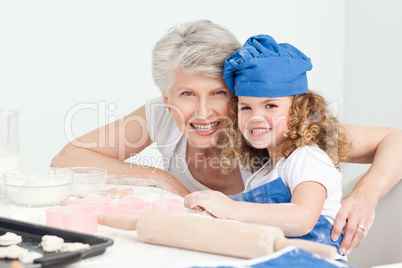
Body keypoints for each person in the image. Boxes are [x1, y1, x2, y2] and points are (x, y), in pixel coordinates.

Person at [51, 20, 402, 257]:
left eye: (217, 93)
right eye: (187, 94)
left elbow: (396, 140)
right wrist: (161, 179)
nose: (203, 113)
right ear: (166, 97)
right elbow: (67, 159)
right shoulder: (160, 117)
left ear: (238, 91)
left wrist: (364, 195)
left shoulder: (275, 132)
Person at [185, 34, 351, 260]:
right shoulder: (261, 174)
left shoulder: (307, 158)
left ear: (299, 111)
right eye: (246, 108)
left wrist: (230, 208)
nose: (256, 117)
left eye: (270, 105)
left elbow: (302, 218)